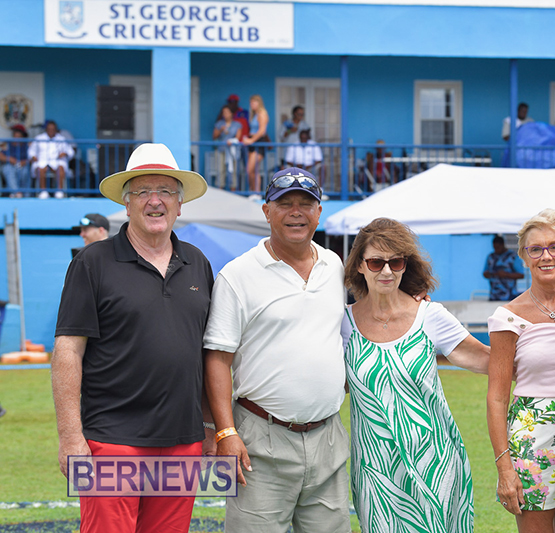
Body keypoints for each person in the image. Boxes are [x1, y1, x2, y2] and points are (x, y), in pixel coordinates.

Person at [51, 143, 215, 532]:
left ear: (180, 204)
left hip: (183, 441)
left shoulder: (198, 262)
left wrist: (210, 427)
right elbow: (68, 352)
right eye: (143, 191)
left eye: (166, 191)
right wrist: (71, 437)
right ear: (126, 204)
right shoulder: (92, 262)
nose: (155, 201)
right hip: (112, 440)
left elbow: (207, 353)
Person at [204, 167, 351, 533]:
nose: (296, 212)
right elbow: (218, 359)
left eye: (306, 204)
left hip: (327, 437)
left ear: (319, 212)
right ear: (267, 211)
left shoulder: (334, 265)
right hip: (260, 440)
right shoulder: (237, 275)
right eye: (285, 204)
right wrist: (225, 432)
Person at [342, 217, 490, 533]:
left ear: (405, 265)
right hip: (376, 473)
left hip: (436, 466)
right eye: (376, 262)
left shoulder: (430, 316)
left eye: (395, 262)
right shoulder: (343, 323)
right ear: (360, 266)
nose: (386, 271)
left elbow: (487, 361)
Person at [486, 209, 555, 533]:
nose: (546, 256)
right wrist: (504, 467)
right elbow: (497, 398)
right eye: (535, 249)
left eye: (554, 246)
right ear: (524, 257)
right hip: (531, 439)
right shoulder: (508, 316)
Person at [28, 120, 74, 199]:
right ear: (46, 129)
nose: (51, 131)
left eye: (53, 129)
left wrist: (65, 153)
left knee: (61, 168)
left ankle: (59, 191)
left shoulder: (61, 139)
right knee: (40, 169)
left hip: (56, 161)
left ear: (56, 130)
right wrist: (33, 157)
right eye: (49, 129)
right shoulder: (39, 138)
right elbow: (31, 151)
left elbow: (70, 151)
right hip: (42, 161)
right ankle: (43, 192)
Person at [241, 94, 270, 195]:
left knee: (250, 169)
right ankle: (253, 191)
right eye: (251, 102)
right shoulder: (254, 114)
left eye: (254, 102)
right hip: (252, 142)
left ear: (259, 103)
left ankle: (256, 192)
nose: (252, 104)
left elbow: (262, 131)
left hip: (258, 142)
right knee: (253, 170)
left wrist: (251, 140)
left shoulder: (262, 114)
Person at [212, 104, 243, 190]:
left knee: (233, 171)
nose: (225, 114)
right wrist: (221, 130)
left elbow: (238, 138)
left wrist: (231, 141)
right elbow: (214, 136)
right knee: (220, 170)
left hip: (232, 151)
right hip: (221, 150)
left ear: (231, 113)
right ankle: (220, 190)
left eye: (227, 112)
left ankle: (233, 190)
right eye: (224, 112)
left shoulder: (237, 124)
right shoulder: (219, 124)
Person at [483, 235, 524, 301]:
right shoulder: (491, 257)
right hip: (494, 296)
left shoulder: (513, 256)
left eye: (498, 247)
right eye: (494, 248)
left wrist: (506, 275)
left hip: (509, 296)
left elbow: (521, 275)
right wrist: (493, 274)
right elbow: (485, 273)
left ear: (502, 245)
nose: (496, 250)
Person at [1, 124, 29, 198]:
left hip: (23, 166)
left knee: (25, 171)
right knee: (8, 169)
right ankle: (16, 193)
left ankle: (25, 195)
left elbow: (32, 158)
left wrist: (24, 162)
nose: (16, 135)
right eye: (15, 133)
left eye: (18, 133)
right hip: (10, 165)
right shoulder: (7, 144)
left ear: (22, 136)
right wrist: (9, 159)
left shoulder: (27, 145)